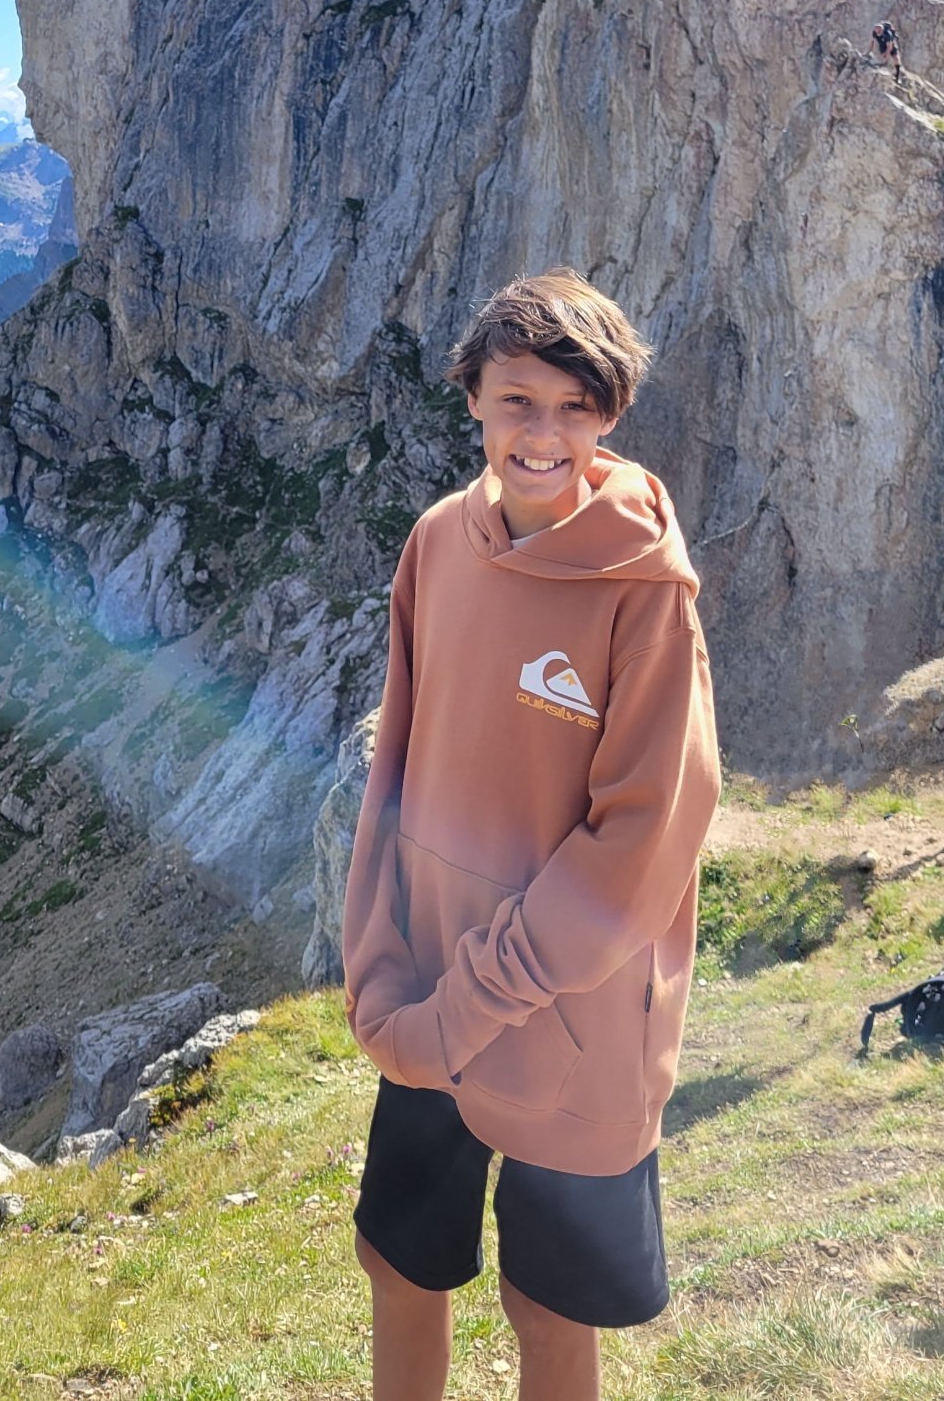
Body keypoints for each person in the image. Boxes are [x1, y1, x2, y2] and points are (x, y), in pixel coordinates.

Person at [342, 269, 721, 1401]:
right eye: (516, 401)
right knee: (398, 1262)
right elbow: (396, 769)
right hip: (424, 994)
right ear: (472, 398)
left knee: (547, 1310)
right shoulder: (436, 544)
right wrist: (380, 968)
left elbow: (639, 842)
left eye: (574, 407)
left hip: (572, 1017)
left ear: (608, 415)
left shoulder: (644, 590)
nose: (542, 434)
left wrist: (461, 1009)